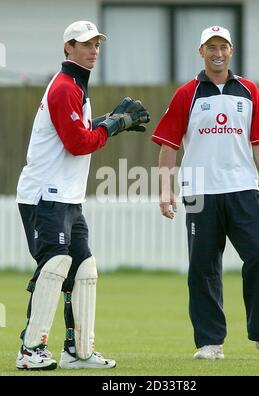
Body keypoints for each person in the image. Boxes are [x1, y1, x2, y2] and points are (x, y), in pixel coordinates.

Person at [152, 26, 259, 360]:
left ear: (231, 51)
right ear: (201, 51)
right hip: (200, 192)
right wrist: (166, 190)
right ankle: (210, 343)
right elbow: (168, 147)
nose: (217, 53)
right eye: (210, 47)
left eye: (223, 47)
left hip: (243, 190)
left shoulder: (249, 91)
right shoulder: (187, 94)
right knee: (203, 267)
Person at [16, 20, 149, 370]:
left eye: (96, 45)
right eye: (85, 44)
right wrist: (113, 125)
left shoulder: (75, 86)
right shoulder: (64, 88)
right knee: (55, 264)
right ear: (68, 48)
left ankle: (78, 352)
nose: (92, 50)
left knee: (84, 268)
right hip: (45, 195)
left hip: (67, 198)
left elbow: (81, 130)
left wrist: (111, 120)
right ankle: (30, 350)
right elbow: (77, 143)